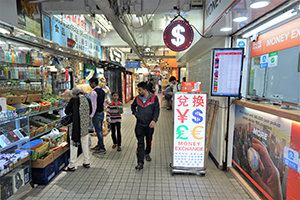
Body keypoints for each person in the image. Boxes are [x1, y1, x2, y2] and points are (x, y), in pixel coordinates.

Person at [131, 82, 160, 170]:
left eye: (139, 90)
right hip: (139, 124)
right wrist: (135, 113)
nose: (138, 91)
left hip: (149, 125)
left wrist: (154, 120)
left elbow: (156, 110)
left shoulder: (154, 98)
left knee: (148, 140)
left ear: (145, 90)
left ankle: (147, 153)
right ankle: (140, 162)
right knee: (140, 143)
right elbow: (133, 106)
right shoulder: (137, 98)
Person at [63, 87, 92, 171]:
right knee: (85, 145)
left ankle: (72, 165)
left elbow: (67, 111)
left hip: (75, 126)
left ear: (75, 93)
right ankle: (87, 162)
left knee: (74, 145)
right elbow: (90, 111)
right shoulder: (87, 100)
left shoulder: (74, 99)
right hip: (85, 126)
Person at [89, 77, 106, 154]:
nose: (90, 85)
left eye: (90, 83)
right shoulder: (102, 91)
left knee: (98, 131)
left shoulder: (94, 92)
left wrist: (91, 116)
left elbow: (94, 105)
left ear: (93, 83)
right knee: (99, 131)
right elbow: (103, 103)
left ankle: (102, 148)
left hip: (96, 114)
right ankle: (99, 145)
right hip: (101, 113)